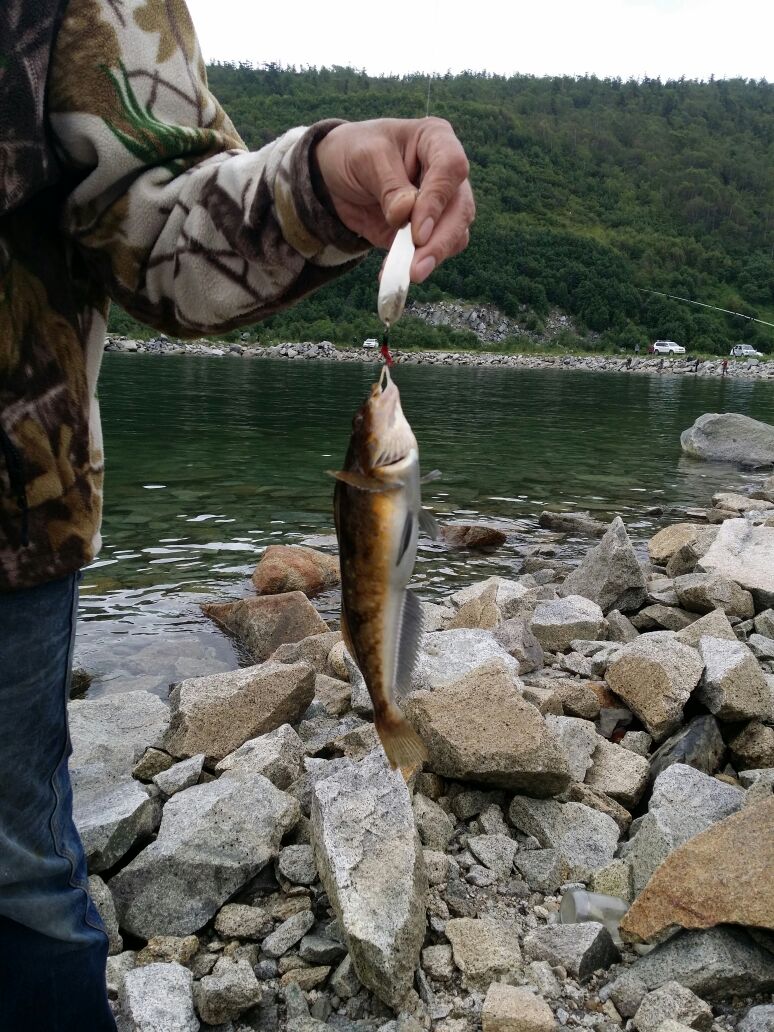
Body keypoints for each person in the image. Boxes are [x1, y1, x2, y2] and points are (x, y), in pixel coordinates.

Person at [0, 2, 475, 1028]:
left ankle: (387, 702)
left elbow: (152, 219)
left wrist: (319, 187)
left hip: (10, 525)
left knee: (19, 884)